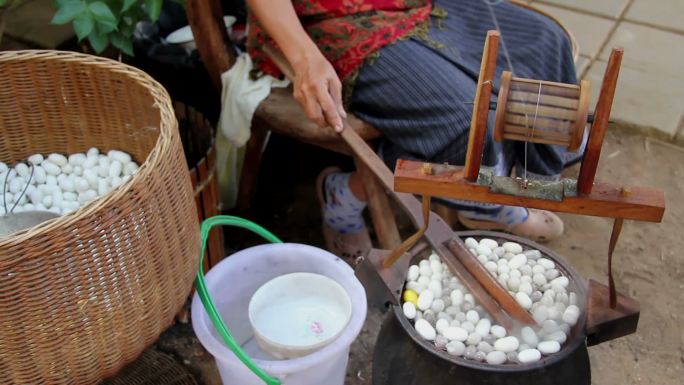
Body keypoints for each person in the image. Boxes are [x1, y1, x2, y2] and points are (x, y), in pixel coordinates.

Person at [246, 0, 582, 258]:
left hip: (416, 5)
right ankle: (345, 196)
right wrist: (305, 60)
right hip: (328, 20)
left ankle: (503, 189)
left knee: (547, 43)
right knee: (466, 117)